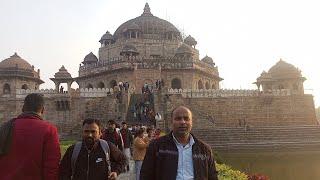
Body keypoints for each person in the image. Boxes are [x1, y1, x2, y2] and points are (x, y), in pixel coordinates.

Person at [140, 106, 218, 180]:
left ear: (191, 122)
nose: (183, 122)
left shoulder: (204, 149)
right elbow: (146, 175)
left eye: (186, 119)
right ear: (171, 122)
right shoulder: (157, 146)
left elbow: (212, 177)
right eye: (178, 119)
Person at [0, 93, 61, 180]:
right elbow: (51, 167)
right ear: (43, 110)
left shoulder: (5, 127)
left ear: (23, 108)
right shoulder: (49, 130)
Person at [59, 118, 127, 180]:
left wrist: (116, 172)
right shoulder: (73, 150)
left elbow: (123, 159)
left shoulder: (107, 147)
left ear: (100, 133)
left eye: (93, 131)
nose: (89, 135)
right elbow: (64, 171)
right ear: (82, 132)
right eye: (86, 131)